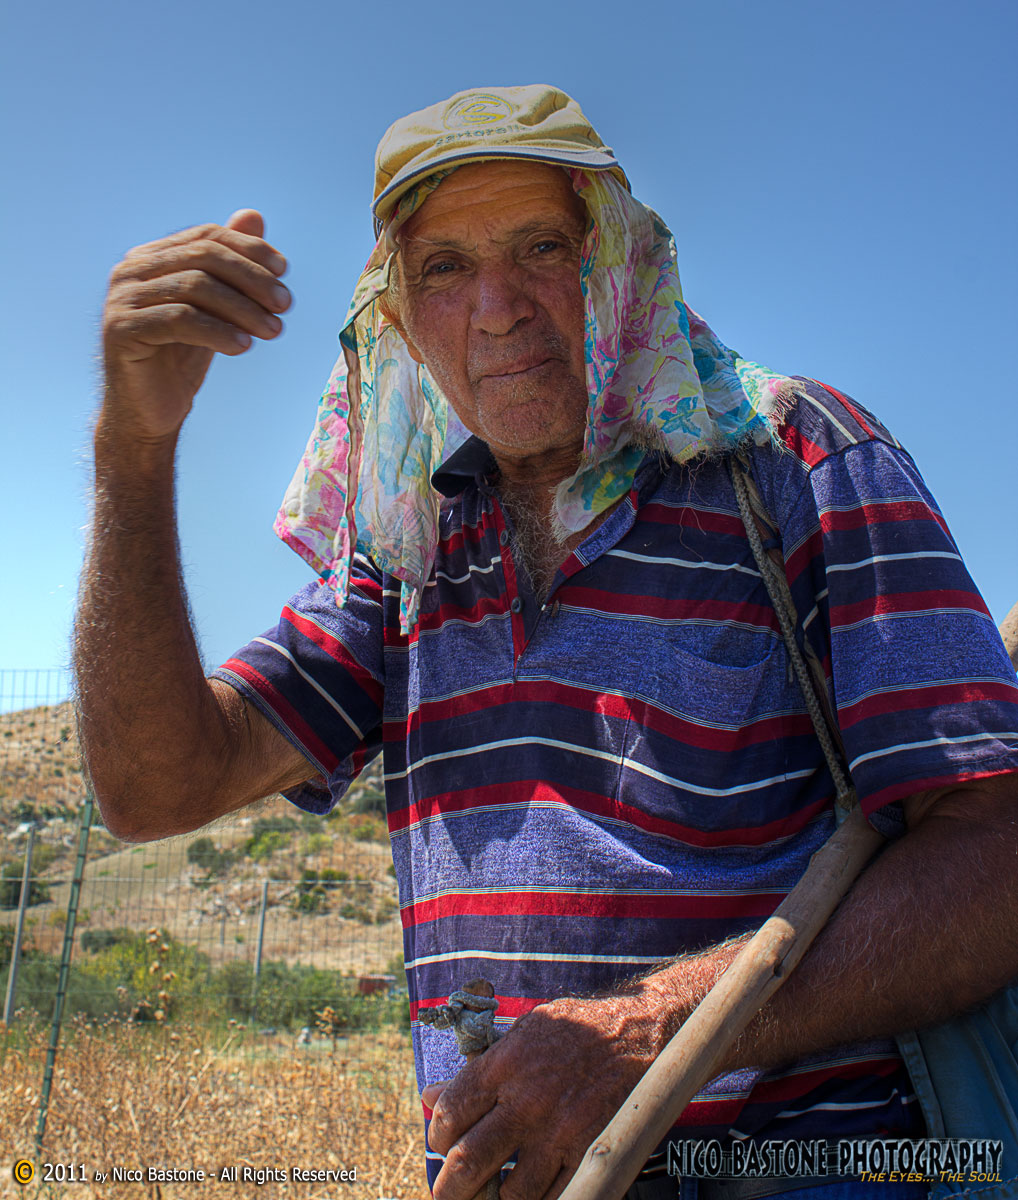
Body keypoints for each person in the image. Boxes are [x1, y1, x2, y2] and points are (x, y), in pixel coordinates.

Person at [77, 85, 1018, 1200]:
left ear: (619, 265)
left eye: (540, 247)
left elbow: (994, 853)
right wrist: (134, 442)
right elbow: (154, 786)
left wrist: (646, 1034)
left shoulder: (794, 462)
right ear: (399, 321)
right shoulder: (406, 550)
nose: (497, 306)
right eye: (442, 268)